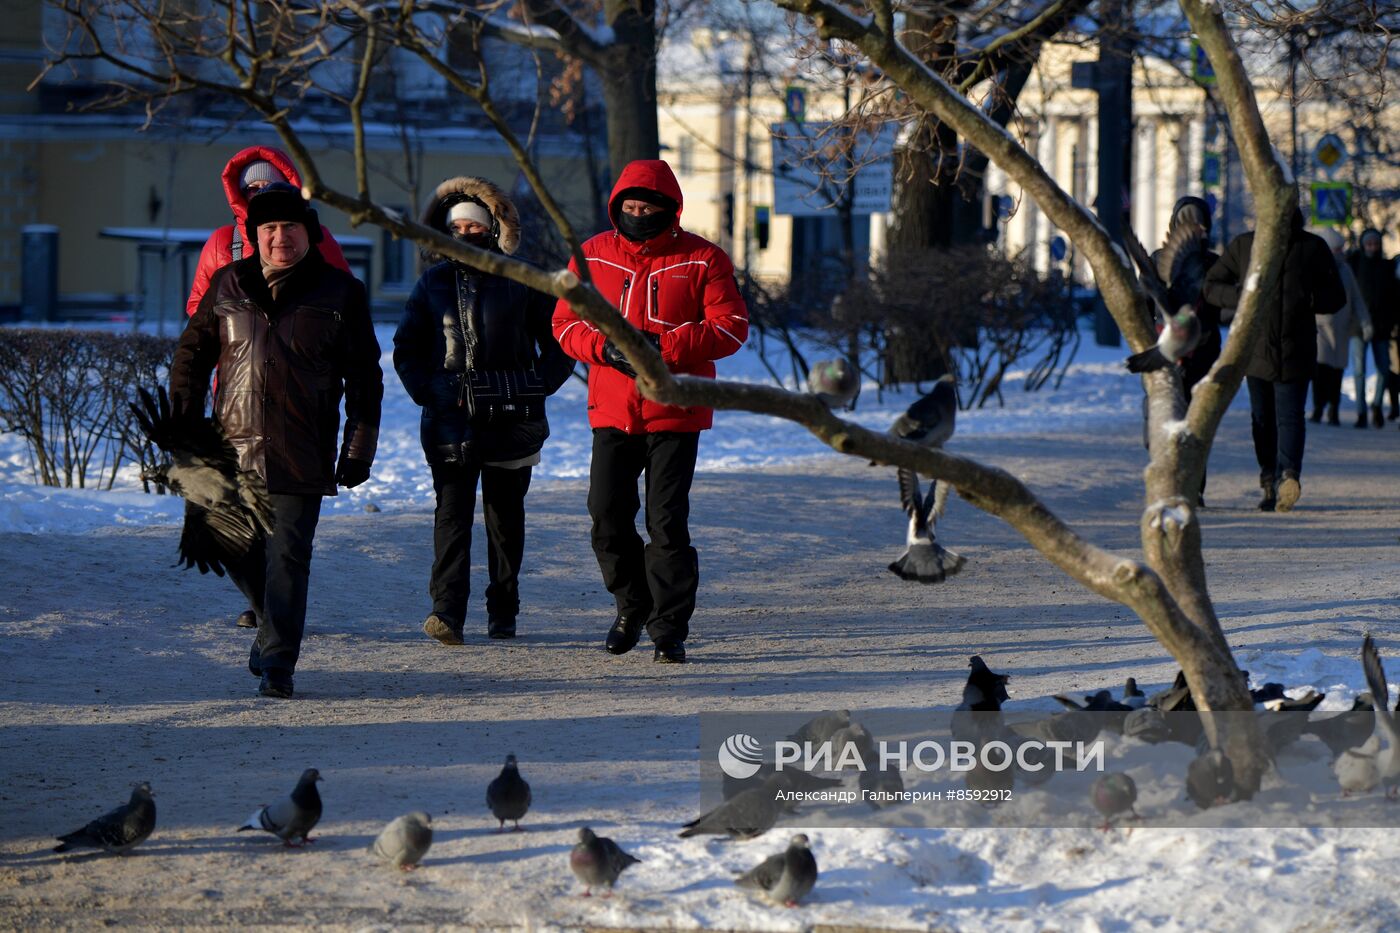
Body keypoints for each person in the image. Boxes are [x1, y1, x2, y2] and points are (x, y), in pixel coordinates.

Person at [170, 183, 383, 698]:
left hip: (300, 447)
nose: (280, 238)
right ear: (254, 236)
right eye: (269, 229)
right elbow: (191, 359)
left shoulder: (340, 293)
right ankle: (271, 625)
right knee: (229, 546)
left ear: (308, 233)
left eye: (290, 227)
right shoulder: (227, 284)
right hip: (230, 449)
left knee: (287, 556)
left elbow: (366, 378)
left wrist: (358, 448)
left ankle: (278, 664)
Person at [551, 159, 749, 663]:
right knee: (606, 518)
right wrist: (607, 347)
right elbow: (564, 324)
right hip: (613, 408)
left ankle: (668, 628)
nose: (638, 215)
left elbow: (730, 327)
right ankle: (631, 605)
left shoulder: (704, 259)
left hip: (675, 410)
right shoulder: (590, 255)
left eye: (648, 207)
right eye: (629, 207)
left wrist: (665, 344)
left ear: (670, 209)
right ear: (617, 207)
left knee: (666, 523)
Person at [393, 177, 573, 644]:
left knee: (505, 516)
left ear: (493, 228)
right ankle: (446, 613)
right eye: (458, 228)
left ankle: (504, 610)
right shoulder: (431, 283)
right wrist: (431, 391)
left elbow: (562, 343)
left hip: (513, 417)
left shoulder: (525, 280)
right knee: (451, 517)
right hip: (451, 420)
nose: (466, 234)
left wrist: (534, 387)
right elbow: (406, 348)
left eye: (475, 226)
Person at [187, 146, 353, 630]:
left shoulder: (314, 240)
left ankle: (275, 620)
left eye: (270, 184)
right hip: (235, 393)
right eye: (252, 188)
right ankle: (266, 602)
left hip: (298, 398)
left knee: (285, 523)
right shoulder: (223, 242)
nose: (262, 194)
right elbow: (199, 307)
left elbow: (342, 304)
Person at [1202, 207, 1345, 513]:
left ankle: (1288, 478)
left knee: (1290, 417)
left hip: (1297, 350)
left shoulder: (1312, 247)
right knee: (1262, 419)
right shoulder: (1244, 245)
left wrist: (1310, 298)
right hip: (1256, 351)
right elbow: (1211, 287)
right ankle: (1269, 478)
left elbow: (1337, 297)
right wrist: (1241, 295)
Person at [1310, 228, 1371, 426]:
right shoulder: (1316, 269)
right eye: (1337, 249)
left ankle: (1333, 409)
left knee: (1336, 372)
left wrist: (1365, 321)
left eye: (1341, 248)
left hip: (1342, 329)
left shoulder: (1345, 270)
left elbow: (1356, 298)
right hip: (1320, 328)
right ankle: (1319, 407)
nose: (1341, 252)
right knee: (1320, 370)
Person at [1345, 229, 1399, 427]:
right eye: (1369, 243)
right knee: (1359, 371)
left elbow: (1394, 298)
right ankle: (1361, 413)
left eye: (1375, 243)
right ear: (1363, 245)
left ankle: (1376, 404)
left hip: (1383, 328)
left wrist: (1391, 322)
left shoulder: (1387, 267)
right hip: (1358, 327)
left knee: (1384, 369)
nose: (1372, 247)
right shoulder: (1355, 265)